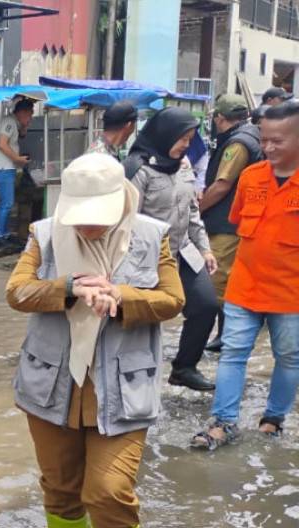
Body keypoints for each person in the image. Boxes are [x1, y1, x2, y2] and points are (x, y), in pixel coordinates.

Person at [6, 153, 184, 528]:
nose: (85, 227)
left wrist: (121, 295)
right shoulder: (44, 234)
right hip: (51, 384)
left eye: (96, 216)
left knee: (109, 490)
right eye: (79, 216)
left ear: (120, 201)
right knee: (62, 488)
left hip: (123, 387)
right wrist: (69, 287)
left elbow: (173, 300)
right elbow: (17, 291)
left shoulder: (150, 236)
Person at [190, 101, 299, 449]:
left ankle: (273, 419)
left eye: (277, 141)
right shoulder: (251, 177)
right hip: (245, 287)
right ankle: (224, 422)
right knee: (233, 353)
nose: (267, 147)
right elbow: (239, 223)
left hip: (291, 295)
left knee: (289, 357)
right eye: (264, 139)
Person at [123, 107, 219, 392]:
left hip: (184, 250)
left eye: (190, 139)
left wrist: (205, 248)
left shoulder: (183, 166)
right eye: (182, 139)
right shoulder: (137, 170)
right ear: (165, 135)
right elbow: (126, 223)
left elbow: (191, 211)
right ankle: (133, 376)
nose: (185, 145)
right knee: (145, 317)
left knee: (205, 306)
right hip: (147, 258)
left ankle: (184, 368)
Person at [199, 94, 263, 353]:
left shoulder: (237, 143)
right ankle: (225, 337)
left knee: (219, 283)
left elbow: (222, 185)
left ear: (220, 118)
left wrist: (196, 209)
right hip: (238, 222)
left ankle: (228, 337)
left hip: (227, 224)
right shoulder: (252, 134)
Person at [0, 98, 34, 248]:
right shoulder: (9, 122)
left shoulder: (14, 123)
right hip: (3, 168)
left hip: (7, 168)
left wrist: (25, 126)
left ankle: (6, 233)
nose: (30, 118)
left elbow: (19, 137)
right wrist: (17, 158)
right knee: (6, 203)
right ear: (21, 112)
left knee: (8, 203)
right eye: (29, 115)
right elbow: (2, 144)